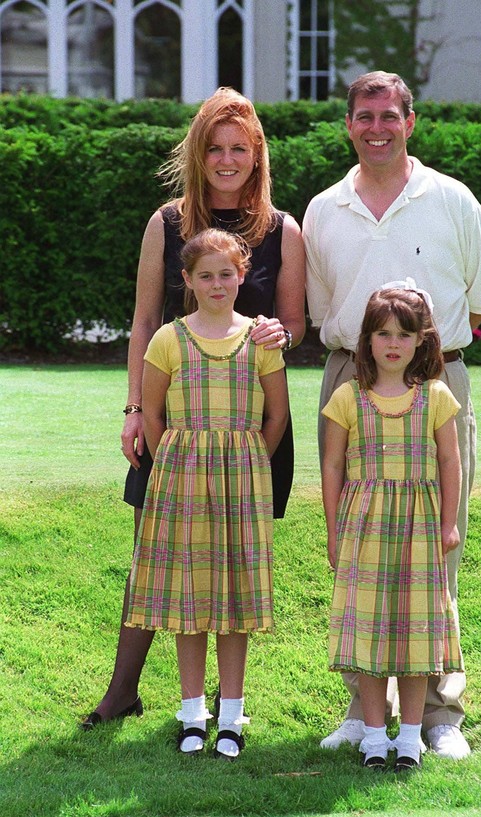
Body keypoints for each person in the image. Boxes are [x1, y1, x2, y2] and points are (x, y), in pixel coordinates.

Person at [82, 87, 305, 729]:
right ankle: (123, 690)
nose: (227, 160)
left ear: (256, 153)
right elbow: (145, 318)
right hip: (173, 427)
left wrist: (276, 337)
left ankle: (223, 711)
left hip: (246, 433)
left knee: (228, 564)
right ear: (198, 153)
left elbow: (295, 324)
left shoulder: (281, 228)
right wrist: (133, 409)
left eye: (240, 148)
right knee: (154, 553)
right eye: (215, 148)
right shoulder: (168, 222)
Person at [303, 71, 481, 759]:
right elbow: (323, 309)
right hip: (350, 382)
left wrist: (418, 357)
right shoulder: (325, 208)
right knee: (362, 554)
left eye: (389, 115)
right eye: (364, 116)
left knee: (434, 554)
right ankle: (364, 712)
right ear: (349, 124)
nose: (376, 127)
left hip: (436, 380)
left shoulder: (451, 199)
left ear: (410, 121)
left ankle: (441, 716)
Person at [124, 228, 289, 758]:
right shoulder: (169, 339)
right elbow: (152, 413)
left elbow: (277, 414)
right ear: (187, 281)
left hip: (241, 481)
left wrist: (247, 462)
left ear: (242, 275)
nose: (217, 284)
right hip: (181, 482)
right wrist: (174, 464)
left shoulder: (259, 339)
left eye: (226, 274)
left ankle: (232, 717)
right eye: (205, 276)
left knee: (234, 598)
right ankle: (192, 712)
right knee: (189, 597)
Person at [322, 287, 464, 772]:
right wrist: (333, 531)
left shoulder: (436, 397)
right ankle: (374, 736)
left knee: (414, 632)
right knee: (371, 630)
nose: (393, 343)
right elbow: (332, 465)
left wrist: (448, 524)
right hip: (365, 528)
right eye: (383, 333)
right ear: (366, 339)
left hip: (420, 530)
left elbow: (450, 461)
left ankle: (410, 738)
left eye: (404, 334)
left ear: (421, 342)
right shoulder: (348, 397)